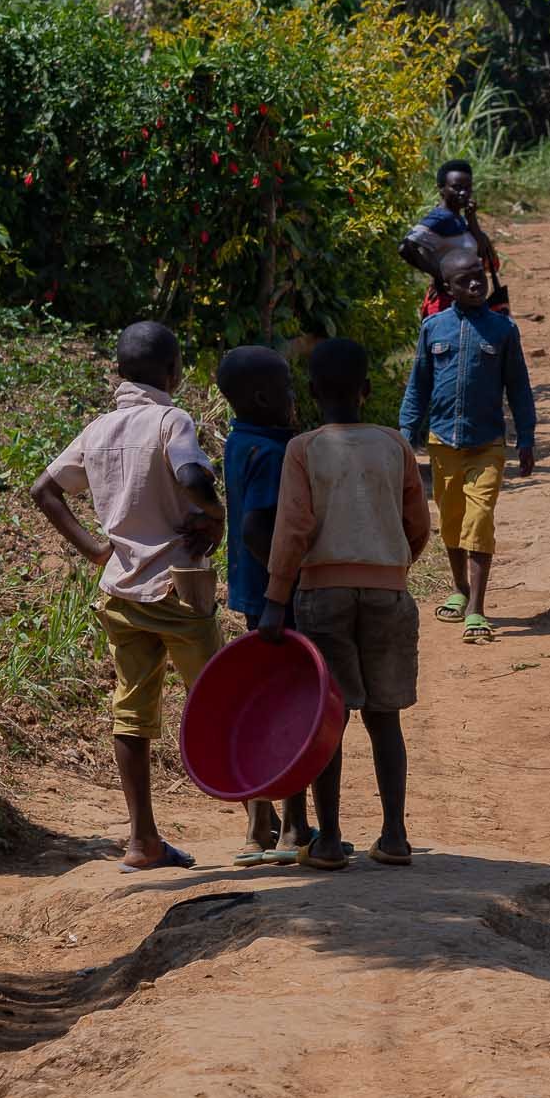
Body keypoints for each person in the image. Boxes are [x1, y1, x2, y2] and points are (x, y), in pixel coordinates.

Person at [30, 321, 226, 873]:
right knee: (218, 699)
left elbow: (44, 491)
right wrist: (215, 515)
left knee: (132, 714)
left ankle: (142, 840)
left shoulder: (98, 430)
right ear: (174, 372)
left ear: (118, 372)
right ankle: (260, 822)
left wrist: (97, 551)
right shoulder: (172, 420)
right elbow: (191, 472)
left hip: (120, 592)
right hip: (178, 590)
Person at [255, 338, 430, 871]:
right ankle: (395, 835)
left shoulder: (303, 449)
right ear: (368, 390)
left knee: (330, 719)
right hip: (388, 589)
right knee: (385, 716)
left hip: (321, 595)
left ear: (309, 393)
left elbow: (293, 530)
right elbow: (417, 524)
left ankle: (328, 839)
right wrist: (391, 565)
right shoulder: (394, 444)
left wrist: (274, 600)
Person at [400, 246, 538, 645]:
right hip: (442, 442)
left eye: (480, 275)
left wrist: (526, 437)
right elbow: (418, 385)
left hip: (488, 443)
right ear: (448, 286)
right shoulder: (434, 328)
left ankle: (477, 608)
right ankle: (459, 588)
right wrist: (405, 433)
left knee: (478, 521)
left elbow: (519, 387)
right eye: (466, 280)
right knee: (452, 520)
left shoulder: (503, 330)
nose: (477, 284)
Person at [216, 344, 315, 866]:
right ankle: (294, 825)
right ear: (260, 397)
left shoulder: (241, 442)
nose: (294, 397)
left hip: (254, 594)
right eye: (285, 388)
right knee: (294, 704)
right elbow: (259, 527)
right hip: (281, 595)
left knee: (265, 698)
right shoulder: (275, 453)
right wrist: (291, 578)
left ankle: (258, 823)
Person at [400, 159, 508, 316]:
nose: (463, 193)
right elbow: (405, 247)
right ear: (441, 189)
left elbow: (482, 252)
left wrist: (472, 220)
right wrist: (440, 276)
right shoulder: (440, 218)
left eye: (467, 187)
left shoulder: (458, 218)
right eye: (456, 188)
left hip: (465, 299)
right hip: (446, 304)